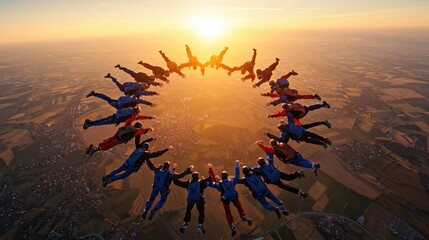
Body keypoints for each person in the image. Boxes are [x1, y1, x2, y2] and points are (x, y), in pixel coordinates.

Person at [101, 136, 169, 187]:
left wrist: (151, 139)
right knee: (123, 175)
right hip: (132, 167)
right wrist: (166, 150)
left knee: (118, 170)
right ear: (147, 148)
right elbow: (156, 154)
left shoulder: (138, 147)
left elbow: (141, 141)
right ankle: (110, 179)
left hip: (127, 162)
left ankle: (107, 177)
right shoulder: (146, 153)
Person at [206, 161, 252, 237]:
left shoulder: (219, 184)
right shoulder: (232, 180)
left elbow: (211, 183)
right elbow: (237, 175)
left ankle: (232, 225)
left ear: (221, 177)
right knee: (239, 207)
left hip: (226, 199)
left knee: (228, 211)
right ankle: (244, 217)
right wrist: (237, 165)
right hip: (234, 197)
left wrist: (205, 180)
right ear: (227, 176)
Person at [85, 115, 155, 156]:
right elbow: (139, 133)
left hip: (117, 134)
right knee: (110, 145)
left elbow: (133, 118)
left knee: (108, 140)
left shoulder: (128, 124)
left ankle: (95, 147)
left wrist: (148, 117)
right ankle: (96, 149)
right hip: (119, 139)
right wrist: (147, 129)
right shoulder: (135, 131)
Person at [256, 140, 321, 176]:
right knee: (304, 160)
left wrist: (260, 144)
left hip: (291, 159)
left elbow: (267, 149)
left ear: (272, 145)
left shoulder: (274, 150)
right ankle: (313, 164)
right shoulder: (282, 143)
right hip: (296, 154)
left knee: (301, 164)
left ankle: (312, 166)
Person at [266, 119, 331, 145]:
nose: (279, 130)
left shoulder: (284, 133)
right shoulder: (288, 125)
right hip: (302, 130)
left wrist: (269, 134)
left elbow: (279, 139)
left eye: (279, 129)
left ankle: (322, 143)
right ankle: (324, 139)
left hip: (300, 137)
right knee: (313, 134)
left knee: (311, 140)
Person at [86, 90, 155, 109]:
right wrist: (150, 104)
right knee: (108, 100)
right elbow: (141, 101)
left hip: (119, 101)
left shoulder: (132, 98)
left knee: (108, 99)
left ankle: (94, 94)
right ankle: (94, 94)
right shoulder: (134, 100)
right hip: (119, 105)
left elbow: (139, 98)